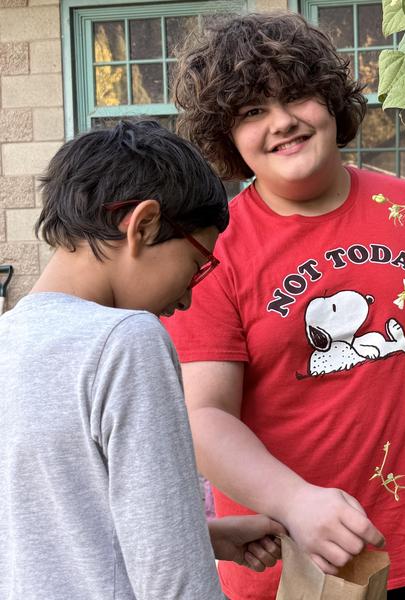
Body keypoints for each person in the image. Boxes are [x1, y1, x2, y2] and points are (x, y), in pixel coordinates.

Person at [164, 11, 405, 600]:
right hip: (294, 566)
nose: (283, 123)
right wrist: (295, 501)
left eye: (297, 96)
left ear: (332, 101)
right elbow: (205, 418)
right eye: (252, 112)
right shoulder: (218, 248)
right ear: (227, 137)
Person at [0, 120, 285, 600]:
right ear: (144, 224)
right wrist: (187, 553)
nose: (187, 299)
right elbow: (172, 579)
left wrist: (204, 537)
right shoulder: (126, 339)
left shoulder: (8, 339)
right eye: (197, 265)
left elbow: (45, 528)